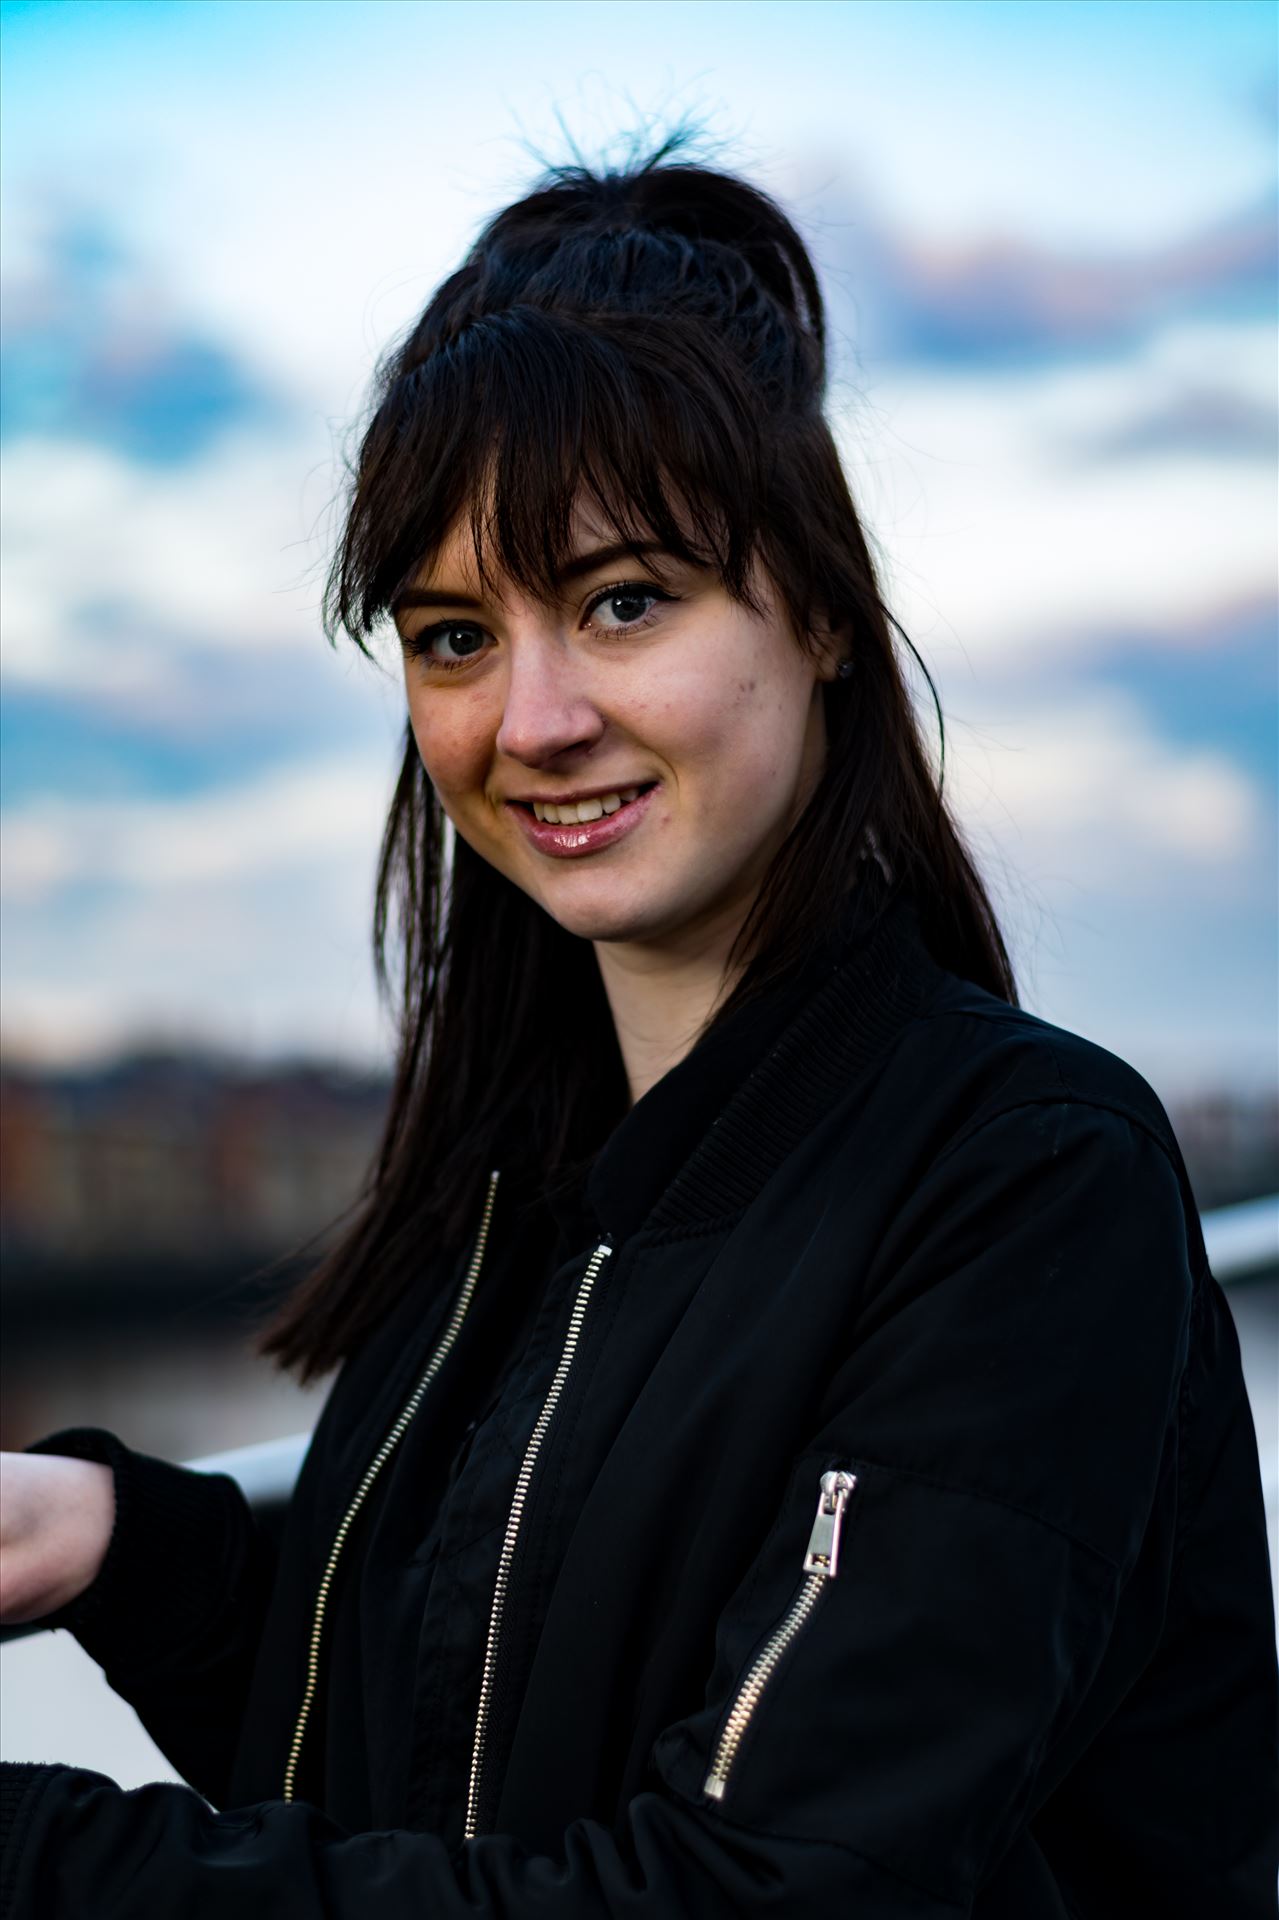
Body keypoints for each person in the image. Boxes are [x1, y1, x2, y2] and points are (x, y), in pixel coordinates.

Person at [0, 147, 1275, 1920]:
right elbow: (441, 1771)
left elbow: (751, 1886)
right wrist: (111, 1545)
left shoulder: (1024, 1191)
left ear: (820, 610)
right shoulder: (516, 1198)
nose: (532, 719)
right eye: (455, 636)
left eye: (622, 602)